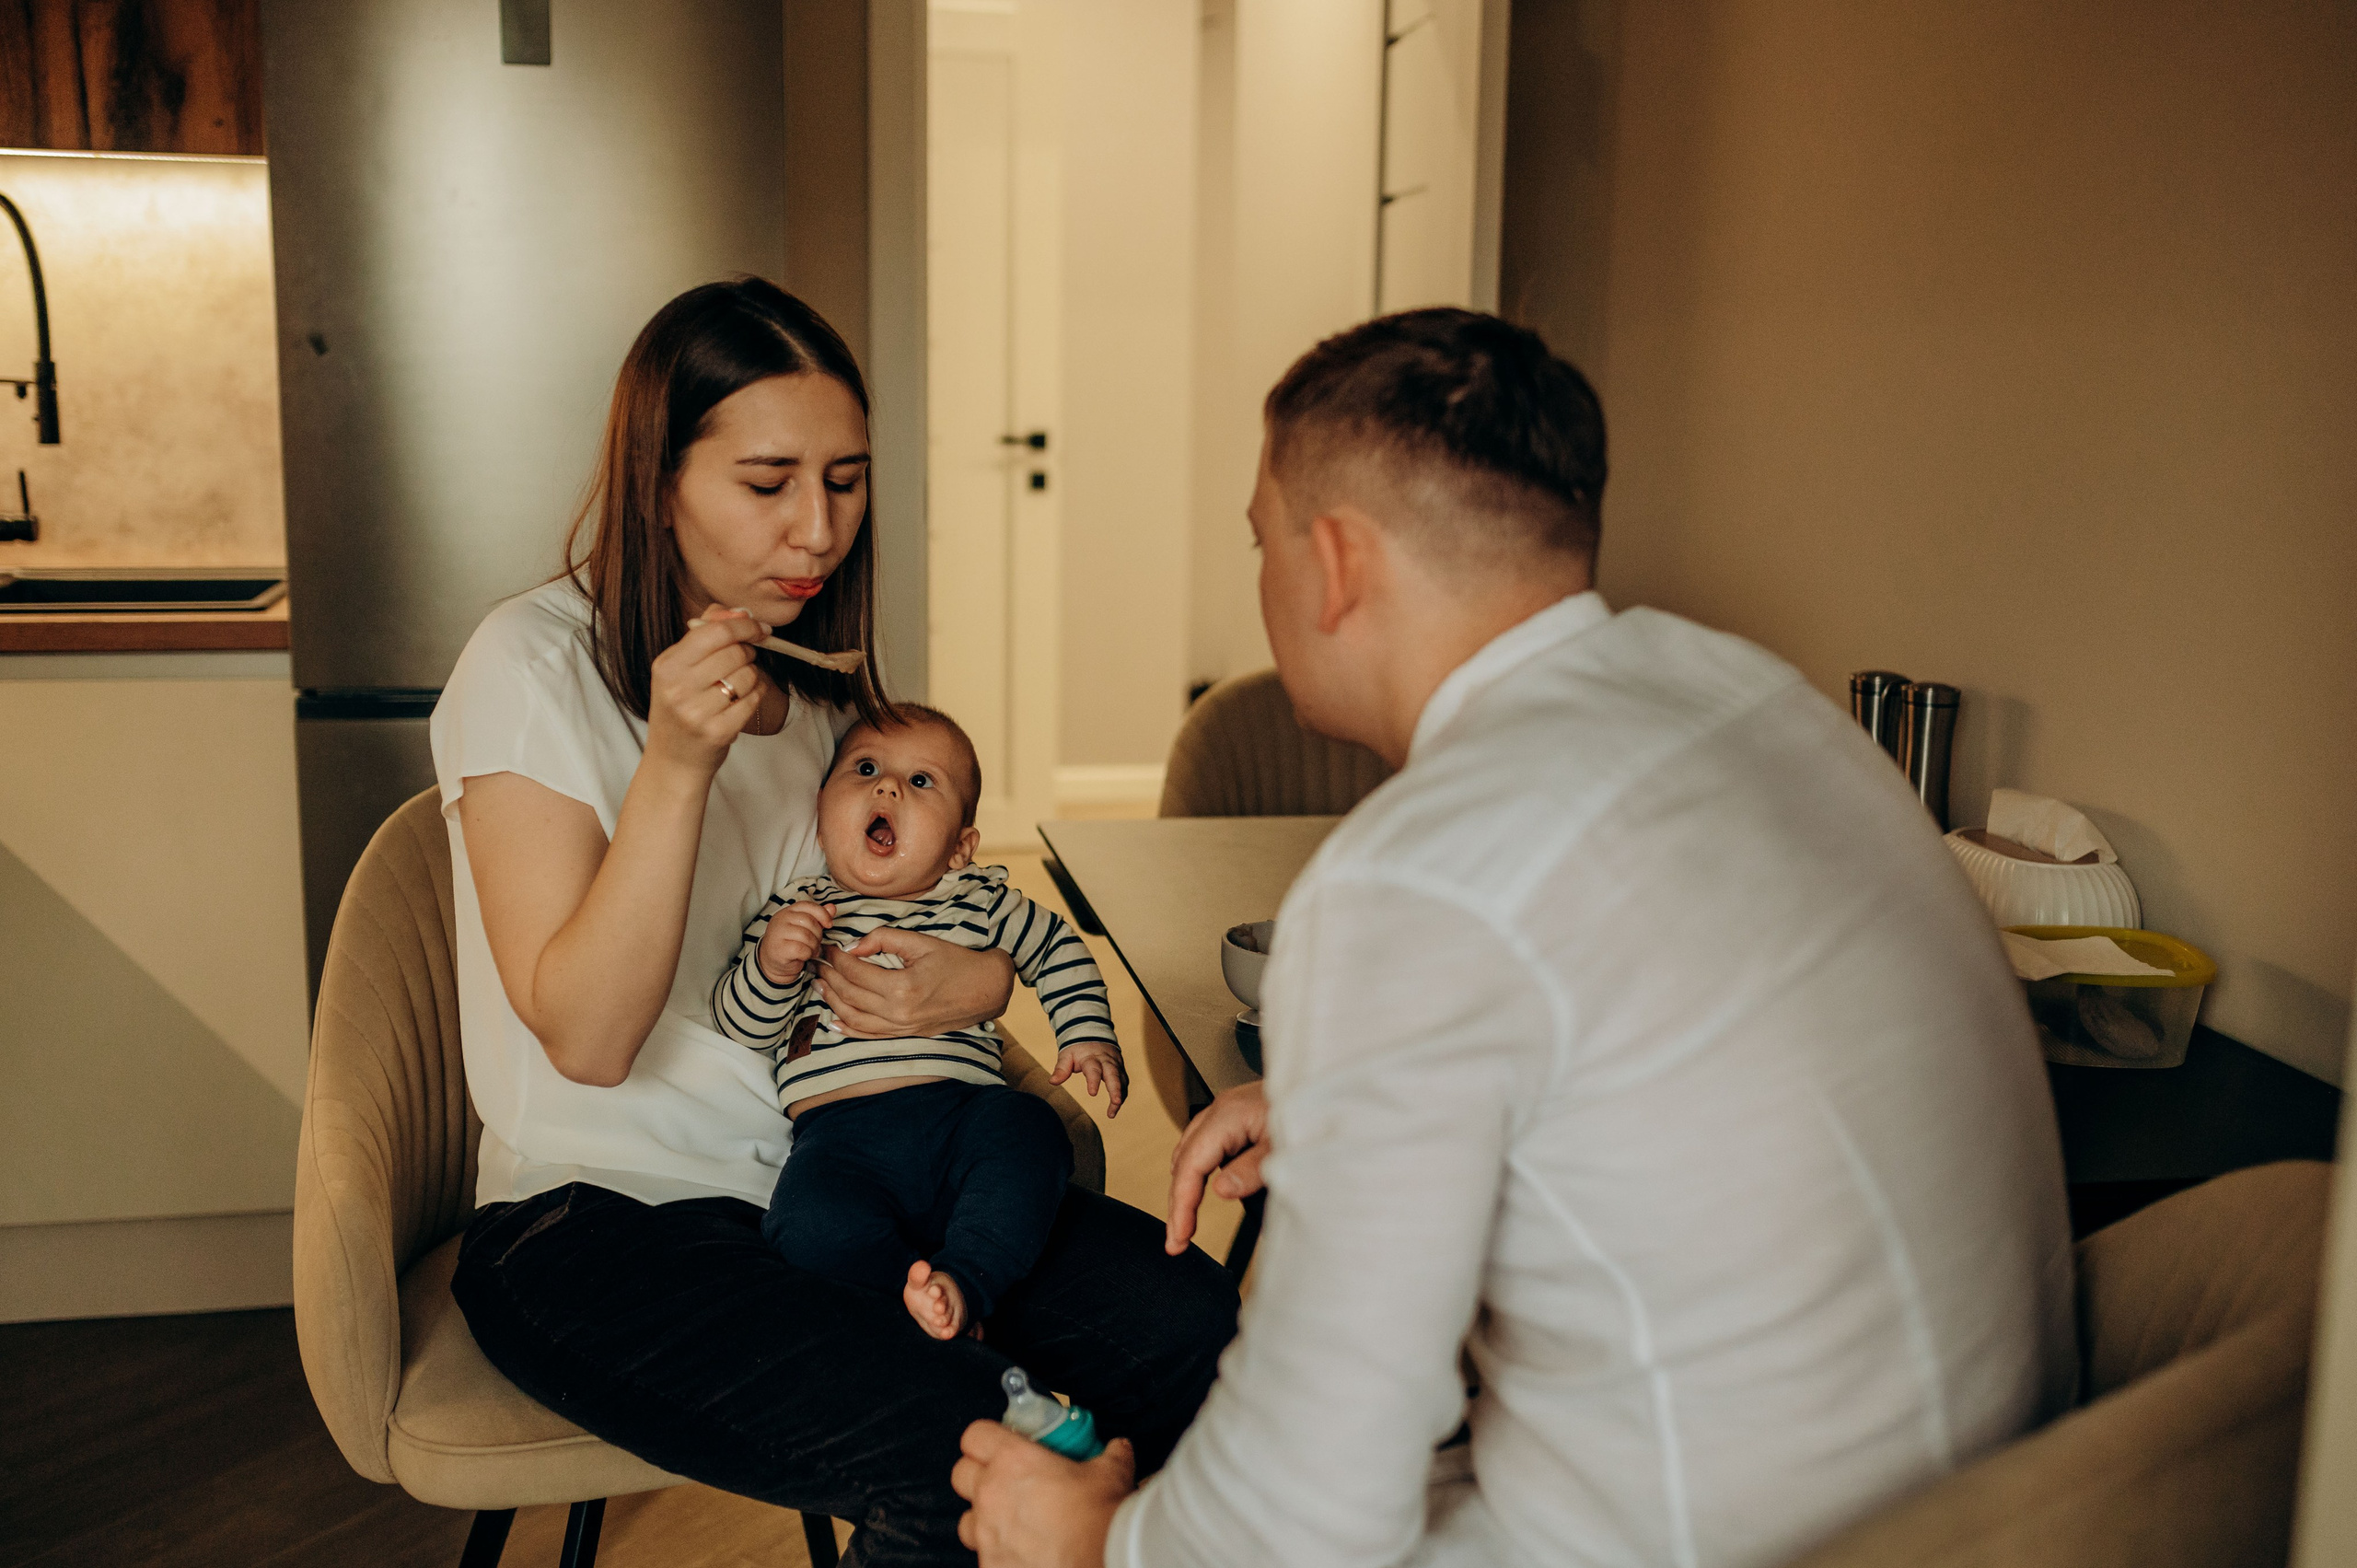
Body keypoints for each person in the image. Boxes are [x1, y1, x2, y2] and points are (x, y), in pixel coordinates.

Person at [952, 308, 2076, 1567]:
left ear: (1334, 564)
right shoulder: (1760, 698)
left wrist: (1102, 1541)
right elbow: (1670, 1031)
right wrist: (1363, 1097)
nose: (1261, 579)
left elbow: (1303, 1515)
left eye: (1258, 542)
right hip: (2005, 1486)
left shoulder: (1413, 871)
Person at [431, 277, 1236, 1567]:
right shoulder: (531, 666)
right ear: (659, 480)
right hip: (602, 1221)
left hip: (837, 1174)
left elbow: (922, 921)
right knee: (975, 1460)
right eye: (768, 482)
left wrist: (979, 983)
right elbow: (586, 1038)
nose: (818, 528)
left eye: (847, 480)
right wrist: (677, 766)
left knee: (1198, 1324)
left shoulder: (815, 699)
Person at [711, 703, 1128, 1341]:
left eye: (921, 781)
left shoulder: (979, 898)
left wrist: (1086, 1030)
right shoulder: (797, 911)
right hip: (840, 1137)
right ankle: (918, 1292)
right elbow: (743, 1026)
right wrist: (770, 967)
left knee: (1031, 1127)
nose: (887, 786)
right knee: (803, 1221)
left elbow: (1056, 945)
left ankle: (969, 1276)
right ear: (822, 815)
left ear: (961, 846)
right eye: (867, 768)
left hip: (962, 1114)